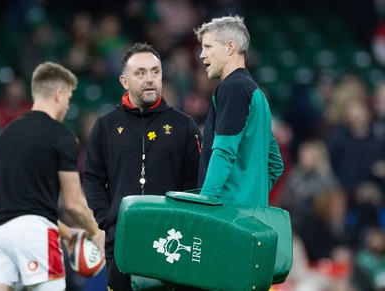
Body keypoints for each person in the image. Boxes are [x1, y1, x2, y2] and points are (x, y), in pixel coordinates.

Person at [83, 42, 202, 290]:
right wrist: (107, 220)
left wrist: (182, 222)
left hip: (172, 241)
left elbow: (195, 183)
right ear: (124, 81)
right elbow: (92, 177)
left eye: (155, 71)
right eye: (141, 73)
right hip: (122, 240)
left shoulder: (184, 126)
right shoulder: (105, 126)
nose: (150, 79)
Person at [0, 62, 105, 291]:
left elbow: (17, 207)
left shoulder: (7, 134)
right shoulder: (62, 135)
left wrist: (67, 232)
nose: (68, 105)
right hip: (35, 237)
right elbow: (73, 204)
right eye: (69, 98)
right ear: (59, 94)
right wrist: (96, 232)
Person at [193, 15, 283, 205]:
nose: (202, 54)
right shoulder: (256, 93)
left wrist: (205, 203)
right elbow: (275, 164)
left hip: (228, 216)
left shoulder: (233, 88)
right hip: (251, 215)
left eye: (208, 47)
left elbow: (224, 152)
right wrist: (250, 196)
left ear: (230, 47)